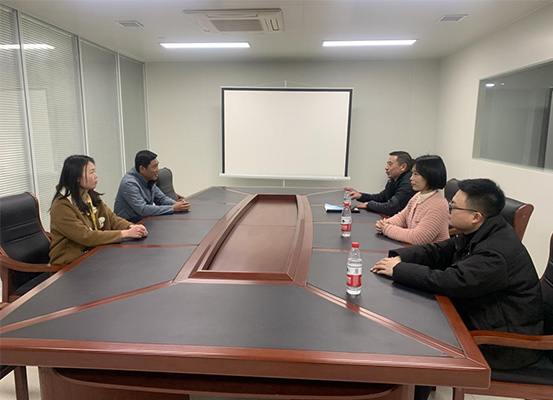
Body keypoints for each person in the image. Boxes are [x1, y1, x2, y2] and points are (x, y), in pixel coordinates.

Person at [371, 178, 544, 374]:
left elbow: (452, 281)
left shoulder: (495, 253)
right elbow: (438, 251)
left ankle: (411, 383)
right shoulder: (478, 231)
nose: (448, 210)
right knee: (413, 313)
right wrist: (400, 258)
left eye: (453, 207)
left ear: (476, 216)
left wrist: (399, 270)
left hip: (504, 344)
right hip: (483, 316)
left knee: (415, 333)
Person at [50, 155, 148, 264]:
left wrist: (131, 226)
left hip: (96, 253)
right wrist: (125, 233)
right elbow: (86, 236)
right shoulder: (61, 206)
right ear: (77, 178)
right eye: (91, 172)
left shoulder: (90, 196)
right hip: (71, 264)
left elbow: (112, 219)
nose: (96, 176)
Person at [375, 155, 449, 245]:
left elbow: (418, 238)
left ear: (430, 176)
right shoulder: (418, 196)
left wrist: (386, 228)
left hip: (431, 253)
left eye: (416, 174)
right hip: (413, 249)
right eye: (412, 173)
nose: (411, 178)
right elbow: (402, 217)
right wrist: (386, 223)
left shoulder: (438, 205)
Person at [114, 150, 190, 222]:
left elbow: (161, 199)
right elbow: (143, 210)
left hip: (145, 220)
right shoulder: (129, 184)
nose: (158, 170)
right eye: (154, 166)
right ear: (142, 169)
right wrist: (173, 208)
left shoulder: (148, 178)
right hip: (129, 224)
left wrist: (179, 204)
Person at [349, 151, 416, 216]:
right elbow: (381, 198)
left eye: (390, 164)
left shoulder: (409, 183)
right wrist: (361, 196)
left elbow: (391, 207)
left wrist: (368, 205)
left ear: (403, 167)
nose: (386, 168)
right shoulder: (393, 180)